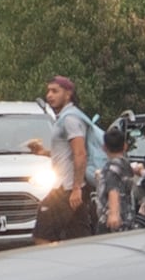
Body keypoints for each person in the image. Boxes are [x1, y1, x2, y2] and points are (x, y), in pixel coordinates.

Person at [32, 79, 99, 241]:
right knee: (77, 236)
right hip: (68, 187)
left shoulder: (70, 119)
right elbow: (66, 154)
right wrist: (43, 152)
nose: (49, 95)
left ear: (68, 94)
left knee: (42, 235)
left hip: (67, 189)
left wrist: (76, 189)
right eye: (48, 91)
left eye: (55, 91)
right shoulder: (64, 117)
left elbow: (80, 153)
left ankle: (50, 259)